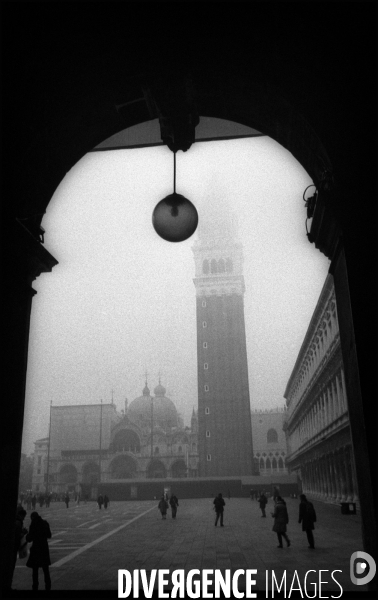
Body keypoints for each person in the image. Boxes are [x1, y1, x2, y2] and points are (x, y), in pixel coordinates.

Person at [26, 511, 52, 592]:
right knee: (46, 570)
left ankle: (35, 587)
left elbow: (29, 538)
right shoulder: (45, 523)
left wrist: (26, 535)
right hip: (44, 548)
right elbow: (49, 535)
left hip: (36, 548)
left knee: (35, 570)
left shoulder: (33, 524)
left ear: (32, 518)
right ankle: (48, 587)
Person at [11, 508, 28, 590]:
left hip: (13, 546)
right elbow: (17, 536)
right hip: (14, 546)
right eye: (24, 516)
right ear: (21, 515)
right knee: (11, 565)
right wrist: (24, 532)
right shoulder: (18, 523)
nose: (24, 518)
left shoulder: (16, 521)